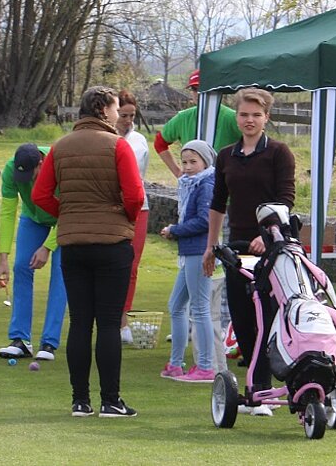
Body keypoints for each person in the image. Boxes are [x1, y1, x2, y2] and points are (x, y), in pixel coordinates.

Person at [32, 86, 145, 418]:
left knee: (80, 321)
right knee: (109, 323)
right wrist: (122, 216)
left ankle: (80, 400)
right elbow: (135, 195)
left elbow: (40, 195)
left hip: (73, 244)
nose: (117, 114)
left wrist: (67, 213)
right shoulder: (118, 146)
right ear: (102, 110)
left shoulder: (60, 146)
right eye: (114, 108)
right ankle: (111, 400)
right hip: (112, 243)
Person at [200, 87, 296, 417]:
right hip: (236, 248)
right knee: (241, 317)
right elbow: (217, 204)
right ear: (236, 117)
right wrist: (212, 246)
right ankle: (254, 390)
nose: (249, 120)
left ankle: (265, 392)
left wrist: (264, 232)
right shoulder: (226, 155)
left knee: (267, 317)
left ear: (266, 117)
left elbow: (285, 200)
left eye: (256, 115)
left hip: (271, 246)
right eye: (244, 114)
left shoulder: (279, 153)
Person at [0, 143, 65, 362]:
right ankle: (20, 340)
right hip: (33, 218)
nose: (26, 180)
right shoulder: (10, 171)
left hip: (64, 219)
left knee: (60, 274)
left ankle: (49, 342)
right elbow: (7, 212)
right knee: (21, 266)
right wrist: (3, 257)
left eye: (31, 174)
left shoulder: (60, 166)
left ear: (41, 164)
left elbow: (70, 210)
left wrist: (47, 247)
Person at [158, 140, 217, 383]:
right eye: (184, 162)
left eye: (194, 161)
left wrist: (175, 230)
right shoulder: (190, 185)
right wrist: (177, 232)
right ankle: (175, 363)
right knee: (176, 305)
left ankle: (205, 366)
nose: (188, 167)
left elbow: (205, 221)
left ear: (206, 162)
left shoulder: (206, 185)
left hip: (199, 251)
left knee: (200, 308)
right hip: (189, 251)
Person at [153, 69, 242, 179]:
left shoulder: (232, 117)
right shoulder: (183, 118)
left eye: (203, 89)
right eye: (194, 89)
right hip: (193, 188)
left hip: (226, 188)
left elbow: (253, 145)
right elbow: (159, 143)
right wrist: (178, 173)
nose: (198, 93)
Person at [115, 89, 150, 343]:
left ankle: (123, 318)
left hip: (139, 207)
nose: (127, 120)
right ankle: (108, 316)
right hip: (111, 208)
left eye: (131, 115)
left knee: (131, 265)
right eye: (123, 115)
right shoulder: (104, 138)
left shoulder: (139, 140)